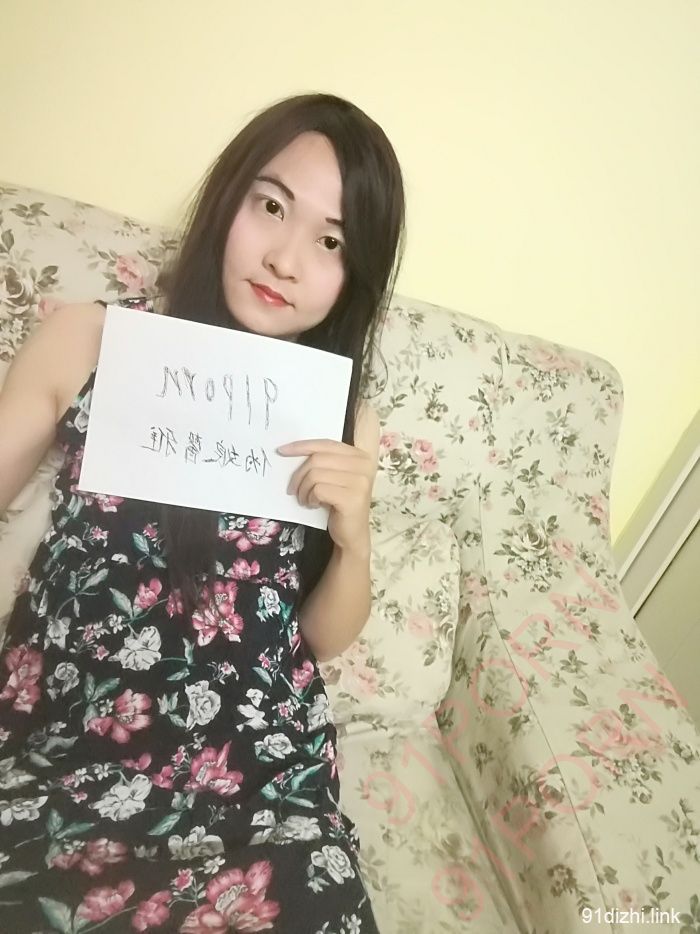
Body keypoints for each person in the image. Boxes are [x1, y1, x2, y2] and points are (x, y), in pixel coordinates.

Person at [0, 92, 405, 933]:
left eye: (331, 242)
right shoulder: (88, 339)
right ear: (229, 198)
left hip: (261, 778)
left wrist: (353, 541)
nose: (285, 260)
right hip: (68, 744)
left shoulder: (341, 417)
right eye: (271, 207)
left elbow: (319, 638)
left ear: (353, 276)